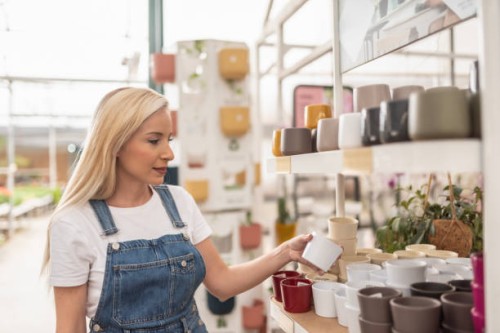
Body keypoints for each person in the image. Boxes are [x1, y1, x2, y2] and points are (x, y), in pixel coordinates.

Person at [43, 87, 319, 333]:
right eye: (154, 141)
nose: (169, 154)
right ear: (115, 143)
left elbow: (222, 283)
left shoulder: (178, 202)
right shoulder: (74, 223)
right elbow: (69, 327)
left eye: (169, 140)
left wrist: (285, 253)